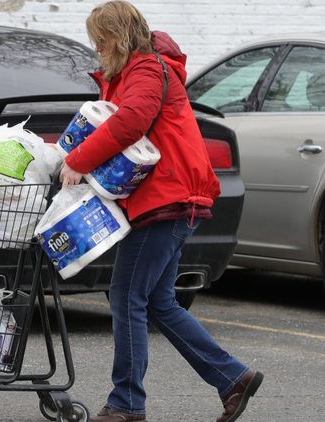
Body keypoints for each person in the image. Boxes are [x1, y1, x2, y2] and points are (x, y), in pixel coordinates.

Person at [59, 2, 264, 422]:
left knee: (126, 297)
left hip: (166, 201)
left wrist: (78, 160)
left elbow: (130, 122)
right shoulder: (134, 73)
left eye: (101, 40)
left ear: (119, 38)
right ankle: (233, 378)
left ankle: (126, 404)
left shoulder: (147, 70)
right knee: (159, 302)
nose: (97, 48)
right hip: (166, 201)